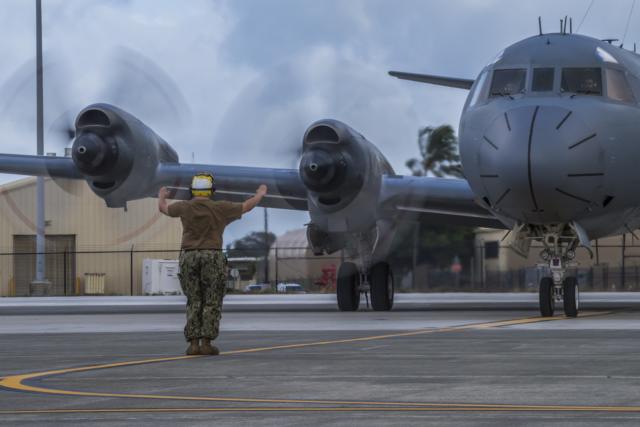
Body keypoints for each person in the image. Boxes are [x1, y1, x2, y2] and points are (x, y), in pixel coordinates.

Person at [158, 173, 267, 355]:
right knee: (212, 301)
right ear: (211, 191)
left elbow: (164, 209)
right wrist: (260, 194)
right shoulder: (221, 208)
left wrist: (162, 195)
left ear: (193, 191)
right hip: (212, 255)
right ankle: (207, 343)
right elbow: (246, 206)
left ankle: (193, 344)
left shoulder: (184, 207)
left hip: (189, 256)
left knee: (194, 300)